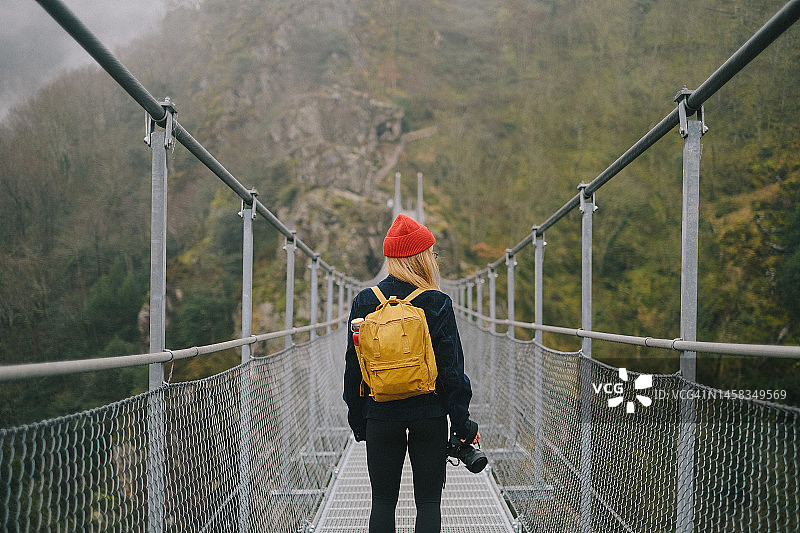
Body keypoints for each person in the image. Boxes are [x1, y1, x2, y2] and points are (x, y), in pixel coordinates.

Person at [343, 213, 479, 533]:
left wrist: (359, 421)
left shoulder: (365, 300)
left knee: (383, 503)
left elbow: (354, 369)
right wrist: (462, 424)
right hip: (429, 416)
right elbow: (452, 372)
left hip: (380, 414)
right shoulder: (437, 301)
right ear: (422, 258)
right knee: (428, 504)